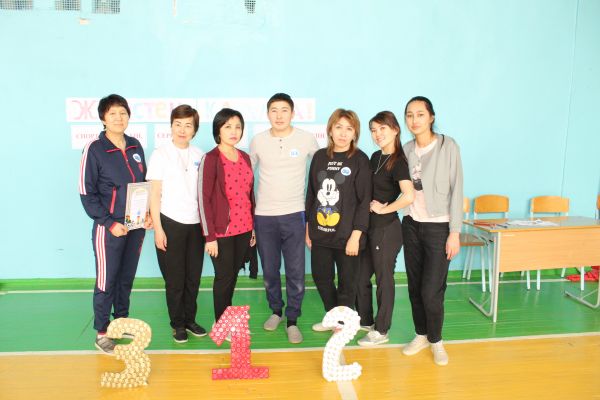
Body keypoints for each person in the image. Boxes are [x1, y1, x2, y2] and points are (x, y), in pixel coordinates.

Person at [79, 94, 150, 354]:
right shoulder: (94, 149)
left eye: (123, 113)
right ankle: (101, 332)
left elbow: (143, 184)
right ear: (103, 118)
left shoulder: (135, 145)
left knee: (125, 279)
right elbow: (86, 193)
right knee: (106, 281)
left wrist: (147, 214)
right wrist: (109, 223)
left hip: (135, 225)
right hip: (108, 229)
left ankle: (120, 323)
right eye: (112, 113)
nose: (119, 118)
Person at [250, 93, 319, 344]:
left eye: (284, 110)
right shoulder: (258, 141)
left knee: (295, 271)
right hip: (264, 216)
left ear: (293, 113)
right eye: (274, 110)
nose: (279, 116)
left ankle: (292, 319)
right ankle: (276, 311)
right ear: (268, 113)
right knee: (270, 271)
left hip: (295, 214)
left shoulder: (306, 139)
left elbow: (322, 168)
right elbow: (246, 177)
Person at [401, 96, 463, 366]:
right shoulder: (405, 149)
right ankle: (421, 334)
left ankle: (436, 340)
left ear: (431, 117)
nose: (414, 120)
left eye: (420, 114)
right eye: (409, 115)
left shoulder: (448, 146)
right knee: (415, 287)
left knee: (431, 290)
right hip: (411, 224)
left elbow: (457, 189)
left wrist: (455, 232)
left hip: (439, 227)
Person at [305, 108, 372, 331]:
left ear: (355, 133)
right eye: (339, 127)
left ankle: (341, 324)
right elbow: (312, 194)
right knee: (321, 278)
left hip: (348, 237)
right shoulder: (319, 157)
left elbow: (364, 201)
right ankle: (335, 318)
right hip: (320, 234)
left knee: (347, 284)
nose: (343, 133)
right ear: (330, 130)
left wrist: (356, 236)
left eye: (349, 129)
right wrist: (308, 228)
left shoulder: (360, 160)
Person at [147, 104, 206, 344]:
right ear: (171, 127)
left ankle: (190, 320)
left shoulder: (199, 155)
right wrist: (158, 229)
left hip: (196, 225)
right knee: (174, 280)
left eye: (188, 125)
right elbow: (154, 193)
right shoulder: (160, 154)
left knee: (193, 277)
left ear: (194, 129)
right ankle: (177, 324)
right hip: (170, 222)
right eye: (178, 124)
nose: (182, 130)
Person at [356, 111, 415, 346]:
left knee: (384, 279)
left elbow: (408, 195)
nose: (377, 134)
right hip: (369, 227)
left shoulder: (399, 161)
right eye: (373, 130)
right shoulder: (375, 156)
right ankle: (366, 321)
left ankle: (382, 330)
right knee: (361, 276)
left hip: (386, 229)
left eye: (382, 128)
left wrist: (385, 209)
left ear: (395, 130)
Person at [199, 108, 256, 324]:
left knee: (232, 276)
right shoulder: (211, 158)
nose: (233, 131)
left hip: (244, 228)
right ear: (218, 130)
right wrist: (209, 237)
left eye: (238, 127)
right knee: (223, 277)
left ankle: (227, 318)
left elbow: (250, 194)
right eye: (228, 126)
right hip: (221, 231)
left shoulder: (245, 157)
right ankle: (221, 322)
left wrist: (253, 228)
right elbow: (203, 199)